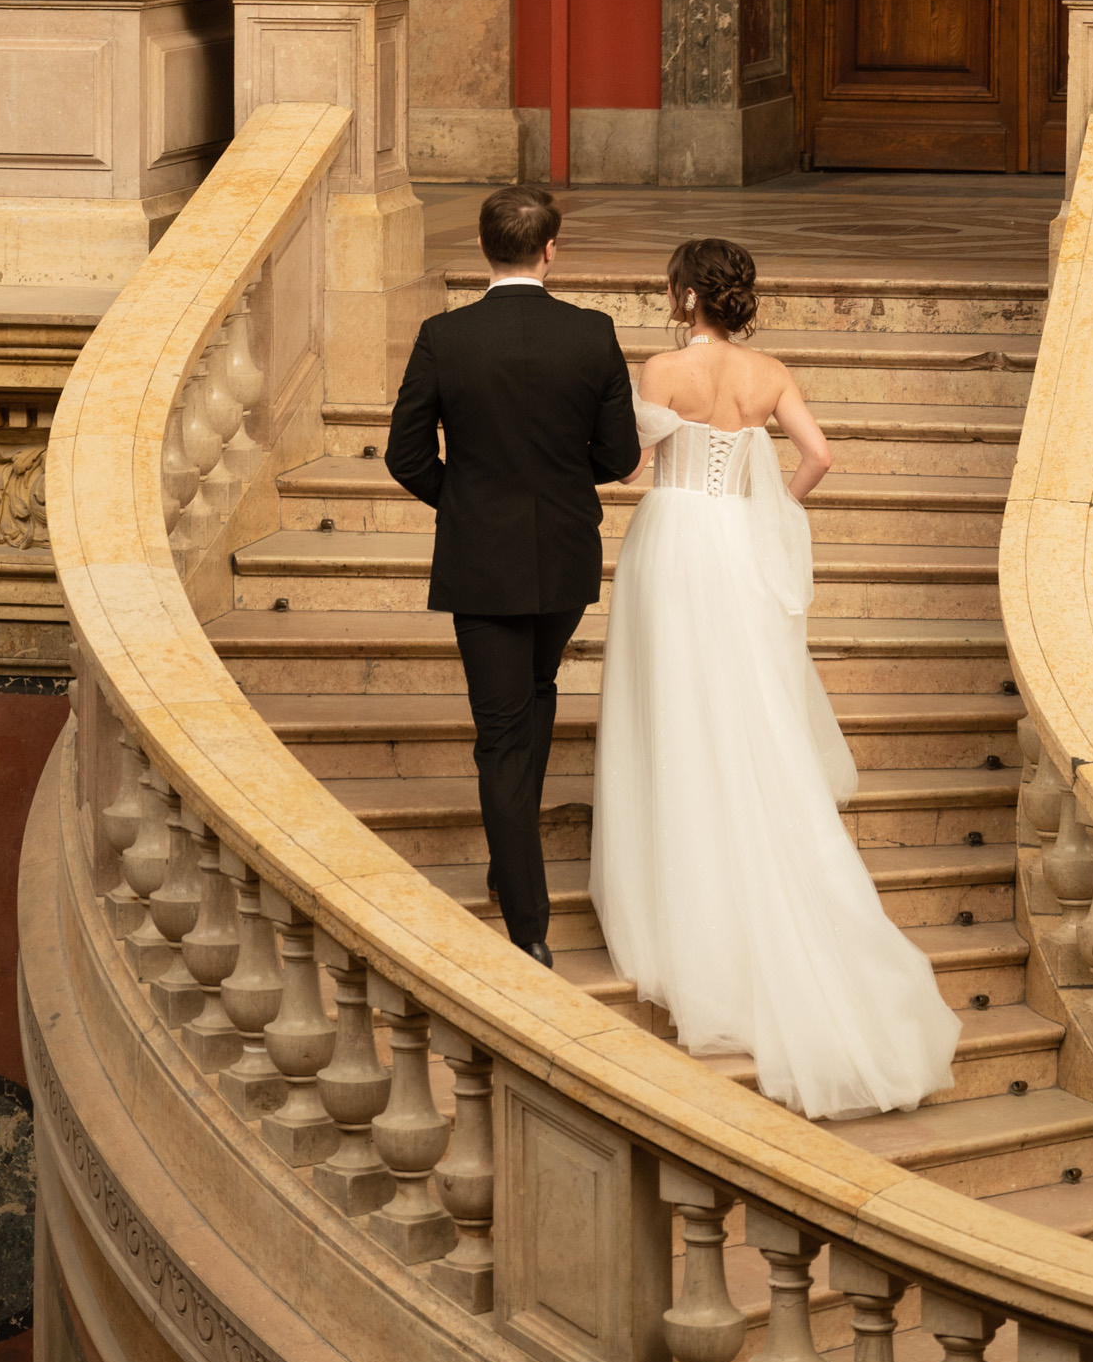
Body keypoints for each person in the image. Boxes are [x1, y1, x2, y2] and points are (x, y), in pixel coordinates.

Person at [589, 236, 960, 1120]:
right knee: (740, 701)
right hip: (735, 539)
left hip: (673, 536)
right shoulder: (770, 371)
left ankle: (676, 869)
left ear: (686, 297)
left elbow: (633, 467)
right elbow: (820, 454)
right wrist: (774, 507)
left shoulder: (660, 367)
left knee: (669, 703)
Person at [386, 185, 639, 968]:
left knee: (505, 730)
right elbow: (620, 457)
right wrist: (561, 486)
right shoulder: (592, 335)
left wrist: (462, 500)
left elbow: (406, 457)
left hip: (482, 557)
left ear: (484, 249)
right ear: (550, 249)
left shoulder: (444, 336)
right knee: (531, 700)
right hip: (564, 554)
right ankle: (514, 879)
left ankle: (527, 924)